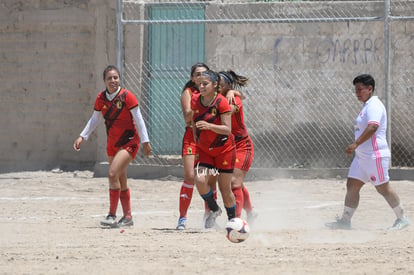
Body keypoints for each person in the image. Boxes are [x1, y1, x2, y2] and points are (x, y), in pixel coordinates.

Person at [326, 74, 409, 230]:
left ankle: (402, 219)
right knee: (352, 185)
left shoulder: (374, 106)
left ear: (370, 89)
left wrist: (355, 144)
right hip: (362, 157)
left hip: (374, 156)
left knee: (383, 188)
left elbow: (373, 127)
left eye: (360, 89)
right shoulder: (366, 106)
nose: (357, 93)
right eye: (355, 90)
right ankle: (345, 221)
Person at [73, 65, 152, 228]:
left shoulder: (127, 96)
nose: (113, 81)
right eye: (109, 78)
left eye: (115, 77)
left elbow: (139, 119)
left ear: (119, 79)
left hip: (129, 142)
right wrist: (82, 136)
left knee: (112, 174)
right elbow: (94, 119)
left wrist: (145, 141)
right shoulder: (101, 98)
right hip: (112, 144)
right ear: (104, 81)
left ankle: (111, 215)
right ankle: (128, 217)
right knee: (120, 178)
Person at [206, 70, 257, 224]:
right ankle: (251, 213)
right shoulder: (213, 98)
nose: (218, 86)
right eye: (216, 84)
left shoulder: (233, 99)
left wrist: (235, 93)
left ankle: (237, 220)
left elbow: (231, 109)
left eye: (221, 83)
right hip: (226, 147)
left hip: (242, 146)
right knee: (236, 183)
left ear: (228, 85)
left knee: (234, 182)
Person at [192, 69, 237, 229]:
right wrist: (196, 138)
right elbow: (193, 121)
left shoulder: (221, 102)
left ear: (215, 85)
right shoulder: (195, 100)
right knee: (199, 179)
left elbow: (227, 129)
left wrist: (209, 126)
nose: (202, 86)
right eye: (200, 84)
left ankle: (233, 222)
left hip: (224, 149)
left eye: (206, 84)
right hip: (205, 149)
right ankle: (214, 209)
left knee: (225, 189)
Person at [176, 63, 210, 230]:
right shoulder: (188, 93)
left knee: (207, 178)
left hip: (208, 137)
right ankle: (182, 218)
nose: (200, 76)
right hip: (192, 136)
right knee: (190, 175)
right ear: (192, 78)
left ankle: (209, 216)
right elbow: (188, 117)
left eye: (204, 73)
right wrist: (200, 103)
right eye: (197, 74)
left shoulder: (213, 91)